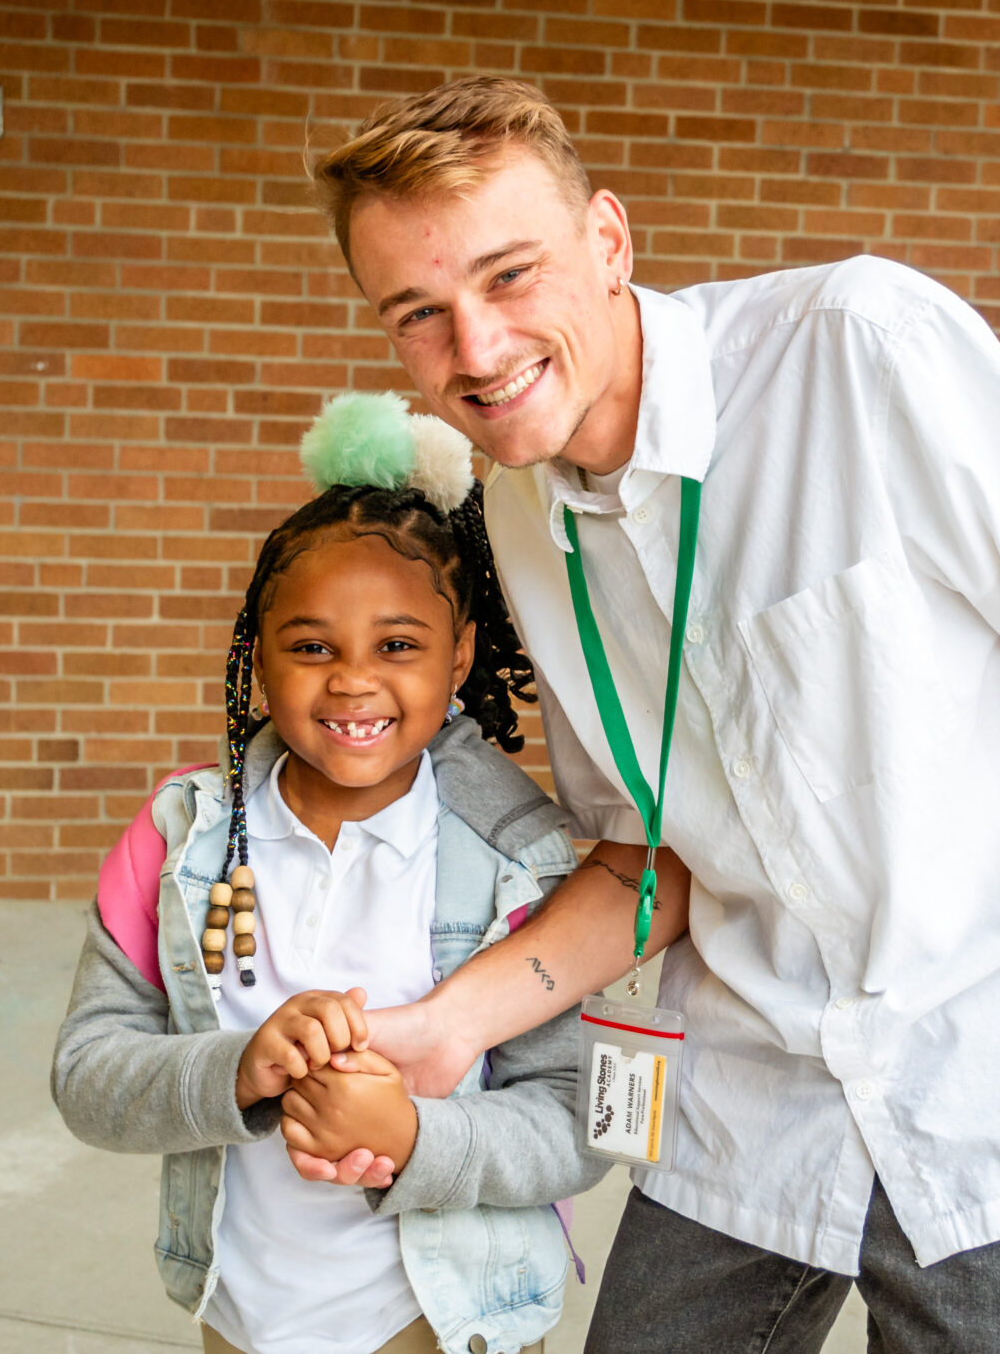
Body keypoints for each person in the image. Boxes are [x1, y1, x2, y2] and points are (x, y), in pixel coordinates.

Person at [288, 77, 1000, 1353]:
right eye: (418, 313)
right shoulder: (522, 517)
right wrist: (443, 1027)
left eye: (510, 276)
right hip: (745, 1089)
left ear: (608, 241)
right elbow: (652, 858)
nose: (473, 349)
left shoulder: (863, 346)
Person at [52, 393, 610, 1354]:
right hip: (244, 1317)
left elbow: (573, 1121)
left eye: (398, 645)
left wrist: (412, 1136)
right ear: (258, 661)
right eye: (312, 647)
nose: (353, 680)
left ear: (463, 653)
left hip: (444, 1323)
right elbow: (86, 1073)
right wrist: (240, 1068)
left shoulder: (521, 860)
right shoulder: (182, 840)